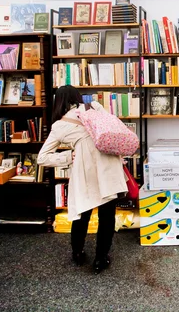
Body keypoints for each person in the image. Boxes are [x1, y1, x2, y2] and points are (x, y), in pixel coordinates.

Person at [37, 85, 127, 274]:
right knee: (107, 216)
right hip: (109, 165)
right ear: (78, 97)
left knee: (82, 213)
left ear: (58, 101)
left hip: (85, 170)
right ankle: (100, 259)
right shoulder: (95, 107)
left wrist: (68, 157)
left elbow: (42, 158)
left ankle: (78, 253)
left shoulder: (59, 125)